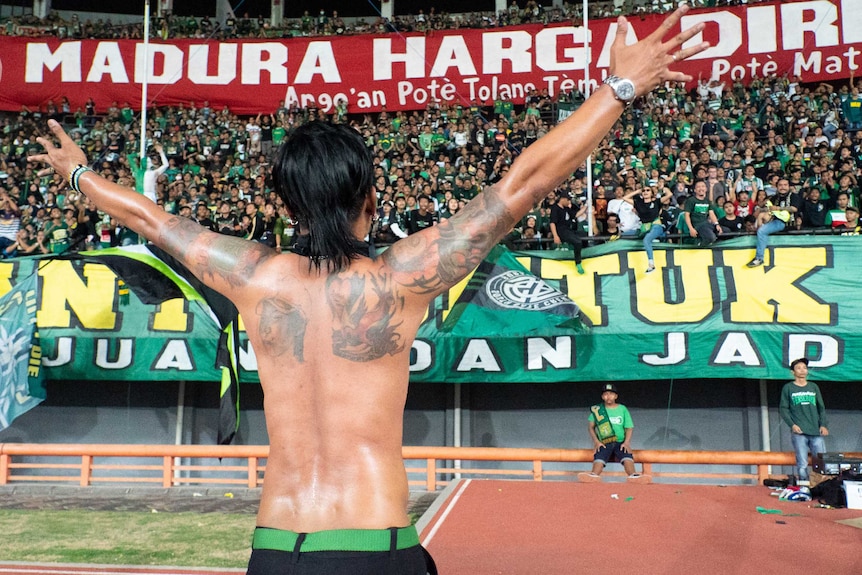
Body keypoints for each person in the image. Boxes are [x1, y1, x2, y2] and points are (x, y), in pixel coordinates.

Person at [29, 8, 705, 573]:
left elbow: (155, 221)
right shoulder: (400, 278)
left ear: (291, 204)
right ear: (369, 197)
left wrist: (78, 174)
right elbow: (524, 184)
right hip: (374, 544)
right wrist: (618, 86)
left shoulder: (251, 277)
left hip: (276, 549)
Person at [579, 383, 650, 484]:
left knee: (627, 456)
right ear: (602, 396)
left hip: (620, 442)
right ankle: (594, 475)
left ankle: (633, 475)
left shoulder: (622, 409)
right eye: (606, 394)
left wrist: (626, 443)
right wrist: (596, 442)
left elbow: (629, 428)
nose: (609, 396)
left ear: (616, 396)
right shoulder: (598, 410)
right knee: (600, 455)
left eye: (611, 394)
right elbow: (591, 427)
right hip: (604, 442)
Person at [779, 358, 829, 483]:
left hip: (816, 431)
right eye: (798, 368)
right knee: (802, 462)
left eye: (804, 368)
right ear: (792, 372)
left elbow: (821, 408)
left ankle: (821, 486)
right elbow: (783, 409)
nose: (802, 370)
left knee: (821, 461)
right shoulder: (788, 388)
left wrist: (823, 425)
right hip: (799, 432)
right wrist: (792, 425)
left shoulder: (813, 387)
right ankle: (804, 486)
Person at [747, 177, 798, 267]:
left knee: (762, 231)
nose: (783, 187)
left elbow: (794, 208)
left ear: (789, 186)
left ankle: (759, 258)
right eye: (780, 185)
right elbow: (768, 210)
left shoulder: (794, 196)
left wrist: (778, 208)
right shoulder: (774, 198)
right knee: (761, 225)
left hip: (788, 223)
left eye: (785, 185)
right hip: (775, 222)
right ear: (776, 186)